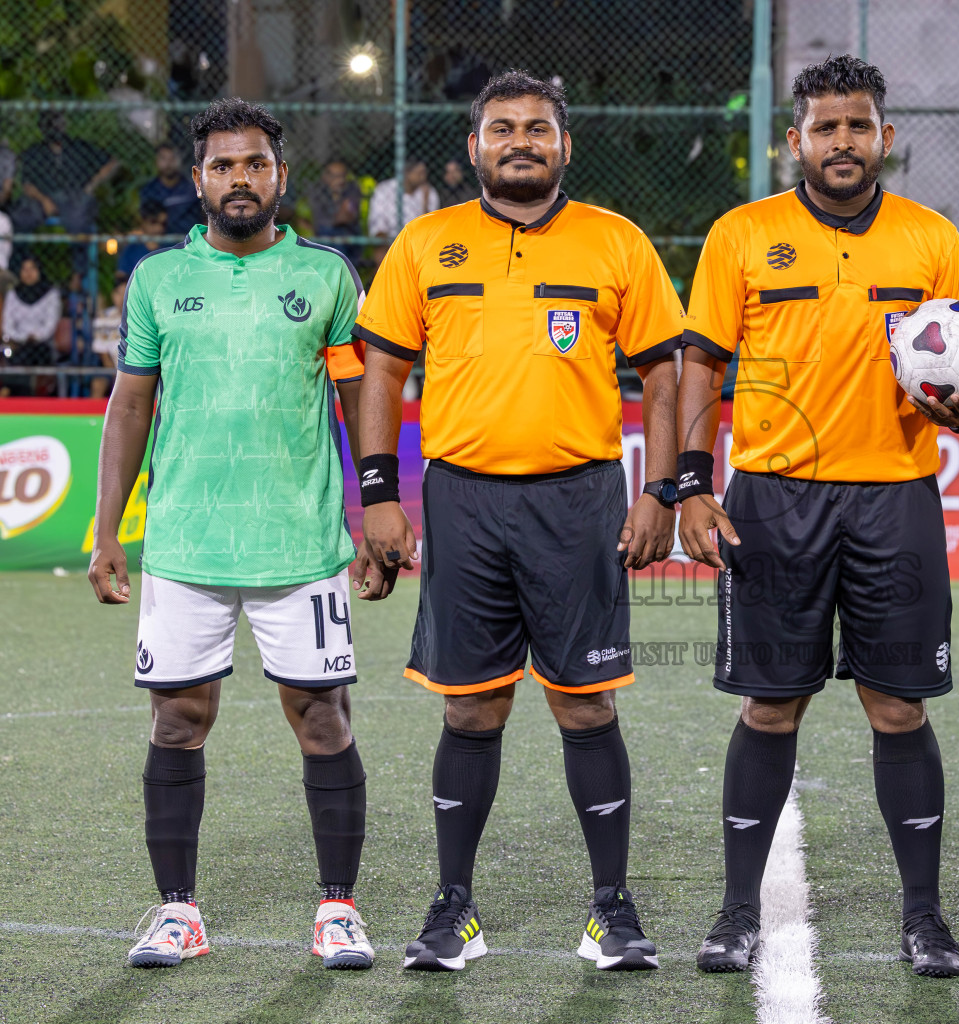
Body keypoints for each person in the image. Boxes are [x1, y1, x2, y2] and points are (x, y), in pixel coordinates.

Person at [354, 69, 684, 973]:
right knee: (472, 707)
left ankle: (611, 911)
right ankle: (452, 908)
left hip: (580, 497)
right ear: (475, 146)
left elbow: (664, 373)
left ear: (565, 145)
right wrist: (379, 495)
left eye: (538, 126)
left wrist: (660, 490)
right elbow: (381, 371)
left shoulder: (616, 243)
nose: (521, 140)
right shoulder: (427, 242)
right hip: (463, 497)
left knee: (586, 704)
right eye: (503, 127)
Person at [676, 54, 959, 978]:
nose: (842, 141)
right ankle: (736, 912)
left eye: (859, 125)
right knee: (771, 708)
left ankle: (923, 917)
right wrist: (690, 483)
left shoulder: (932, 237)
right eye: (825, 127)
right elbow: (700, 363)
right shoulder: (741, 234)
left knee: (899, 707)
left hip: (896, 497)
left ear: (884, 138)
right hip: (774, 499)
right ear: (795, 140)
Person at [87, 98, 386, 972]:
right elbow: (131, 405)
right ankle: (178, 913)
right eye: (223, 166)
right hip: (184, 545)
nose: (240, 179)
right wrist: (108, 531)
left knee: (322, 718)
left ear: (280, 176)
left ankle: (339, 909)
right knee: (178, 719)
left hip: (300, 545)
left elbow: (356, 399)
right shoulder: (154, 280)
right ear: (198, 181)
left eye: (255, 163)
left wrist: (373, 511)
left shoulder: (329, 276)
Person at [1, 256, 61, 397]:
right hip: (17, 343)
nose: (28, 273)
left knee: (33, 353)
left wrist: (35, 336)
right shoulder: (13, 293)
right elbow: (7, 324)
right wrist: (21, 337)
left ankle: (17, 392)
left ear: (39, 271)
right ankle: (20, 395)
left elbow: (50, 324)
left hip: (42, 343)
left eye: (32, 269)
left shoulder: (50, 294)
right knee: (15, 354)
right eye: (24, 269)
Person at [140, 143, 202, 237]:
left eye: (173, 158)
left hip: (190, 242)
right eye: (163, 158)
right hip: (160, 244)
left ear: (180, 160)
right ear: (156, 161)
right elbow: (146, 222)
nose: (168, 163)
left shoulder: (193, 188)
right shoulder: (148, 190)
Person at [368, 159, 439, 239]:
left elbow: (431, 227)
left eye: (425, 173)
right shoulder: (385, 189)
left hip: (417, 241)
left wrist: (425, 203)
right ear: (407, 173)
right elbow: (378, 222)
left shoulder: (429, 192)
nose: (423, 177)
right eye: (419, 173)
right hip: (388, 241)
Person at [117, 201, 168, 280]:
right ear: (143, 222)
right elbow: (121, 277)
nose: (159, 228)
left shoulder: (171, 247)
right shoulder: (132, 249)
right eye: (153, 222)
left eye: (163, 224)